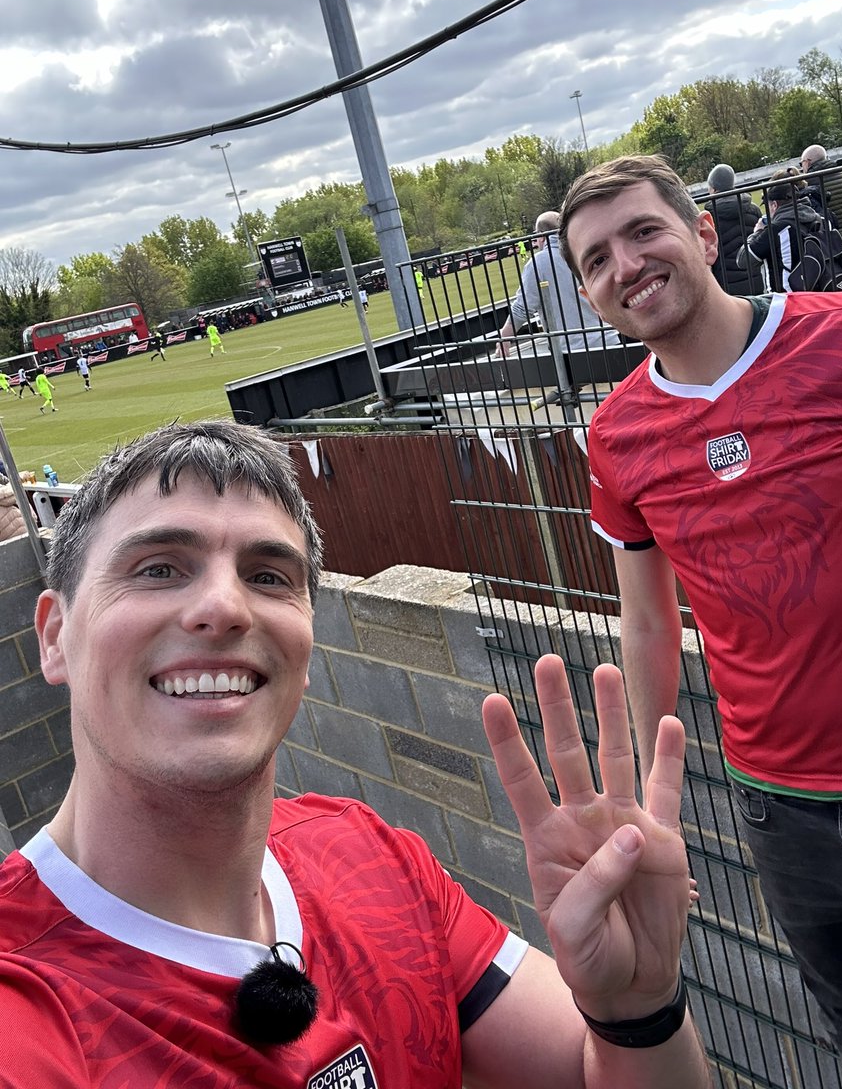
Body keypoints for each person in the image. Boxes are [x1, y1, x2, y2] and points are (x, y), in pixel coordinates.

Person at [0, 419, 709, 1089]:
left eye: (269, 576)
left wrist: (638, 1007)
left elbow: (598, 1071)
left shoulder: (373, 856)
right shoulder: (25, 1007)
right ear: (56, 633)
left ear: (307, 648)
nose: (225, 606)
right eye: (159, 568)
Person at [557, 153, 842, 1089]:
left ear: (705, 233)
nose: (623, 265)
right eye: (595, 260)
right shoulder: (618, 435)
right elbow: (647, 618)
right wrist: (642, 801)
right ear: (588, 293)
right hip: (782, 812)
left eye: (643, 231)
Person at [494, 211, 620, 358]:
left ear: (540, 236)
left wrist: (504, 339)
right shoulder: (583, 253)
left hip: (573, 352)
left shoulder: (538, 263)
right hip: (610, 341)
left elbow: (522, 309)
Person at [736, 170, 830, 291]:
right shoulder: (817, 218)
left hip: (786, 298)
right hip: (820, 291)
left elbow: (743, 260)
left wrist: (757, 232)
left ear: (774, 205)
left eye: (768, 206)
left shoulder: (776, 229)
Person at [703, 164, 763, 295]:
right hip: (756, 282)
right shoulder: (754, 210)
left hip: (725, 287)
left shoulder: (709, 218)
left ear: (713, 188)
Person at [800, 143, 842, 275]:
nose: (801, 167)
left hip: (832, 243)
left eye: (802, 163)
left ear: (808, 162)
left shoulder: (810, 183)